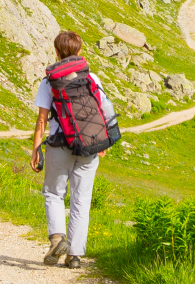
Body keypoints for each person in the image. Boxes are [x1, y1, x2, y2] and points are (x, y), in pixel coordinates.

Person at [31, 30, 118, 269]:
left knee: (53, 193)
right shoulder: (92, 78)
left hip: (59, 145)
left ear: (57, 52)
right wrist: (103, 142)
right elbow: (103, 110)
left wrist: (36, 149)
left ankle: (58, 238)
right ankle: (75, 256)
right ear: (79, 52)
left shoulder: (49, 82)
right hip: (89, 145)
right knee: (81, 199)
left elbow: (41, 119)